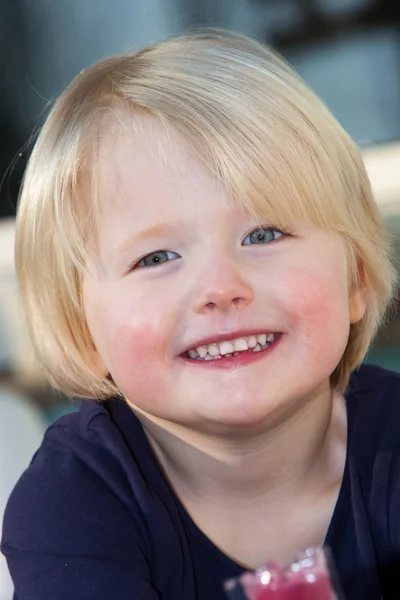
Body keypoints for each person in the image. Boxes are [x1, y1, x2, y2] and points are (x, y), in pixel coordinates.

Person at [1, 29, 398, 600]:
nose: (221, 287)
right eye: (156, 257)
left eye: (263, 234)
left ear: (356, 276)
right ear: (82, 328)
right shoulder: (75, 504)